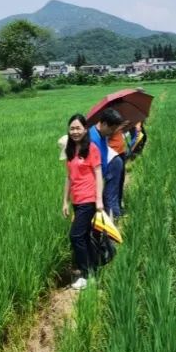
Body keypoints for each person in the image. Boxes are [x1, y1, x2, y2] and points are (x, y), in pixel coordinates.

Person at [62, 114, 104, 291]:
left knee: (76, 236)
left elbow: (98, 174)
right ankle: (92, 271)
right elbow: (68, 178)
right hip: (77, 200)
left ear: (85, 129)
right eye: (72, 128)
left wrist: (99, 199)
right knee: (85, 236)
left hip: (88, 199)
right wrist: (64, 201)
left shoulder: (91, 148)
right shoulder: (70, 150)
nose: (75, 131)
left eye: (78, 128)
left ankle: (85, 275)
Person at [90, 108, 125, 219]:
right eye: (112, 129)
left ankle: (114, 220)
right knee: (109, 198)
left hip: (112, 166)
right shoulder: (92, 139)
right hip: (109, 168)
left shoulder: (103, 135)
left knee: (110, 197)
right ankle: (112, 220)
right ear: (104, 124)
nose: (113, 132)